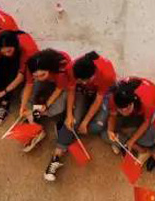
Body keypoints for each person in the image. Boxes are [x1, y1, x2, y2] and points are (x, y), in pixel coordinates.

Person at [44, 50, 116, 182]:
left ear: (93, 74)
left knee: (96, 127)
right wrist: (69, 115)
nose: (81, 82)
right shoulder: (72, 68)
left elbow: (98, 99)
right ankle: (55, 157)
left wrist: (85, 122)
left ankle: (64, 130)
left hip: (103, 94)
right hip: (83, 92)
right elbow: (72, 90)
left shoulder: (107, 74)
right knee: (72, 122)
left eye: (84, 80)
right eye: (78, 80)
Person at [18, 48, 73, 152]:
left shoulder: (62, 69)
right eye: (36, 76)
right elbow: (29, 85)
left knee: (58, 108)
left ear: (50, 69)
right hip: (51, 80)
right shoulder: (32, 66)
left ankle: (33, 118)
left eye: (42, 75)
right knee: (24, 96)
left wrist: (46, 105)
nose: (39, 78)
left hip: (62, 84)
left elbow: (59, 89)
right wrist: (23, 106)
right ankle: (34, 123)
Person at [0, 28, 39, 125]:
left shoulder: (27, 52)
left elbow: (20, 77)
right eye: (3, 52)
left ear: (15, 45)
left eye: (9, 51)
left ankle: (5, 101)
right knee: (2, 64)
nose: (6, 54)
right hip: (14, 55)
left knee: (13, 71)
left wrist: (3, 93)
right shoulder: (1, 42)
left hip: (22, 61)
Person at [107, 77, 155, 162]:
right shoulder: (114, 98)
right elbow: (112, 115)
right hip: (133, 113)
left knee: (150, 140)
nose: (124, 112)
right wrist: (110, 130)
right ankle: (137, 148)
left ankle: (125, 142)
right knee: (106, 134)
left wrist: (132, 140)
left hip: (144, 112)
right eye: (120, 109)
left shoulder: (147, 102)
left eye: (127, 108)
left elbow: (146, 122)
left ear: (133, 102)